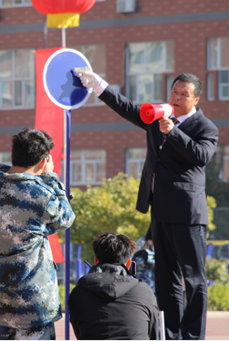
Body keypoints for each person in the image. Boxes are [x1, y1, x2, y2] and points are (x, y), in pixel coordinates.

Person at [75, 69, 219, 341]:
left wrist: (174, 132)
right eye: (174, 92)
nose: (176, 98)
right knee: (167, 280)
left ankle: (191, 337)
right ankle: (170, 334)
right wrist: (99, 85)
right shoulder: (158, 115)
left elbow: (200, 156)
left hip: (188, 213)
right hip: (161, 210)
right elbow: (128, 108)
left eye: (183, 94)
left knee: (194, 280)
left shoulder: (206, 128)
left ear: (196, 99)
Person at [0, 128, 75, 341]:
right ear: (44, 161)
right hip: (31, 302)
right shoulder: (41, 195)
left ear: (12, 155)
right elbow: (65, 218)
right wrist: (51, 177)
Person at [69, 233, 160, 341]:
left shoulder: (78, 293)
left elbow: (80, 332)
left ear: (96, 260)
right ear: (129, 263)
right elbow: (152, 331)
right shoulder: (144, 291)